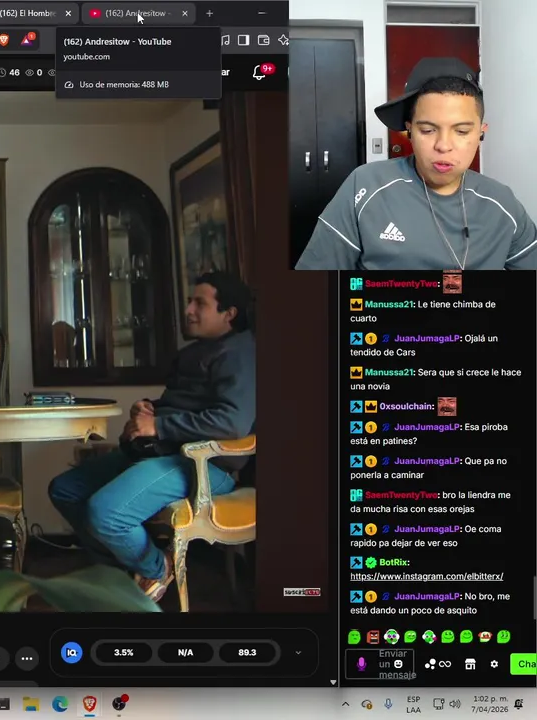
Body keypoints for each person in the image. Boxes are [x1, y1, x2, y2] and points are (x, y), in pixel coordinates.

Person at [47, 272, 255, 602]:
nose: (188, 310)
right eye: (190, 301)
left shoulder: (240, 353)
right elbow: (183, 404)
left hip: (206, 465)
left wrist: (159, 426)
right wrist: (147, 410)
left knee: (105, 513)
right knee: (65, 489)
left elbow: (231, 423)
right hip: (162, 452)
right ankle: (122, 574)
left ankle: (157, 569)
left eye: (199, 303)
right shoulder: (196, 352)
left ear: (229, 314)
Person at [295, 57, 537, 270]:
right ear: (409, 131)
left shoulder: (503, 204)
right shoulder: (366, 186)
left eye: (461, 131)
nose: (443, 145)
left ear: (480, 133)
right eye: (428, 130)